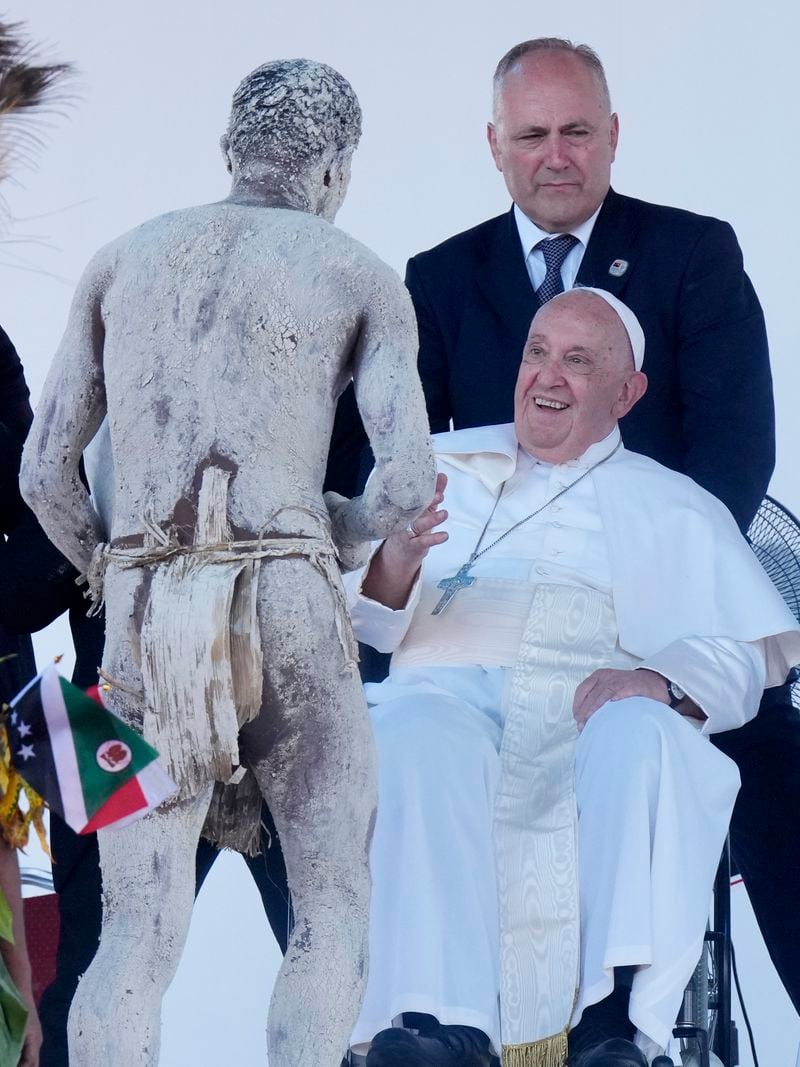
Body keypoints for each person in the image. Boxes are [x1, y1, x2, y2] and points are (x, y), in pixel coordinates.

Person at [20, 58, 435, 1067]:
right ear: (334, 165)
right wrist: (325, 538)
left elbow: (45, 472)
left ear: (228, 151)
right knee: (328, 905)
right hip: (287, 591)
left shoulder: (124, 259)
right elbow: (407, 479)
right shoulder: (356, 271)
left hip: (146, 602)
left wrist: (112, 573)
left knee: (133, 933)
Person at [398, 37, 800, 1011]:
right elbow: (414, 469)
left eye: (574, 130)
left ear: (610, 135)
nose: (554, 153)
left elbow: (733, 452)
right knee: (386, 745)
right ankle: (417, 1016)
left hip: (670, 607)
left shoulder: (690, 253)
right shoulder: (440, 278)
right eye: (529, 134)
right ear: (494, 144)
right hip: (496, 624)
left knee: (778, 786)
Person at [344, 289, 800, 1067]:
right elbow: (363, 625)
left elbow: (742, 654)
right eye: (536, 351)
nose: (546, 375)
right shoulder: (434, 468)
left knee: (647, 737)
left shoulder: (675, 505)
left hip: (589, 723)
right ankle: (433, 1023)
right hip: (450, 706)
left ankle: (611, 1026)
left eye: (578, 360)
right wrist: (392, 563)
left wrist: (659, 681)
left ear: (629, 393)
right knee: (407, 730)